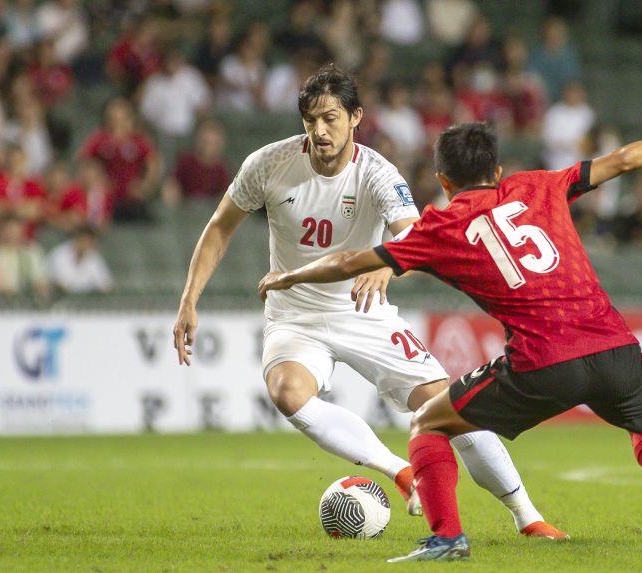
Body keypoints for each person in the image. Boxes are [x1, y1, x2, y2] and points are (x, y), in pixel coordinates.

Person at [258, 104, 642, 561]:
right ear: (496, 171)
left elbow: (349, 261)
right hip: (614, 346)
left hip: (545, 361)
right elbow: (623, 159)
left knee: (429, 422)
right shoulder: (540, 185)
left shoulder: (440, 226)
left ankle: (447, 537)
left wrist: (289, 276)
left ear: (443, 180)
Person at [172, 65, 564, 539]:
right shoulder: (269, 163)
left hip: (364, 311)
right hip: (295, 315)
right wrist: (189, 299)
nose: (320, 130)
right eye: (311, 119)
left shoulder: (377, 173)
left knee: (448, 407)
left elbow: (415, 238)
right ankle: (401, 472)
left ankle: (527, 515)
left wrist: (389, 265)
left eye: (330, 118)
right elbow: (219, 226)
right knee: (287, 392)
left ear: (355, 117)